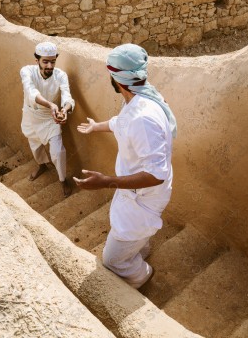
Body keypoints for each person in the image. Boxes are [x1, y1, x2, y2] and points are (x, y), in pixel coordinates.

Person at [73, 43, 177, 289]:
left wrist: (106, 182)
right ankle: (140, 249)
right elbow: (124, 122)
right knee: (136, 237)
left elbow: (155, 174)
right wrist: (96, 126)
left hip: (143, 196)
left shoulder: (142, 117)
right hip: (137, 191)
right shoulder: (142, 95)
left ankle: (142, 275)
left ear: (117, 79)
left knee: (112, 260)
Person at [20, 41, 75, 197]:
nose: (49, 66)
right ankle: (42, 165)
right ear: (36, 60)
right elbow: (31, 92)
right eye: (45, 61)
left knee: (58, 151)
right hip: (31, 116)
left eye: (53, 61)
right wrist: (51, 105)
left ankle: (62, 179)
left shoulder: (61, 75)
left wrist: (64, 110)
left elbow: (67, 97)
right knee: (35, 145)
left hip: (51, 119)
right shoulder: (27, 71)